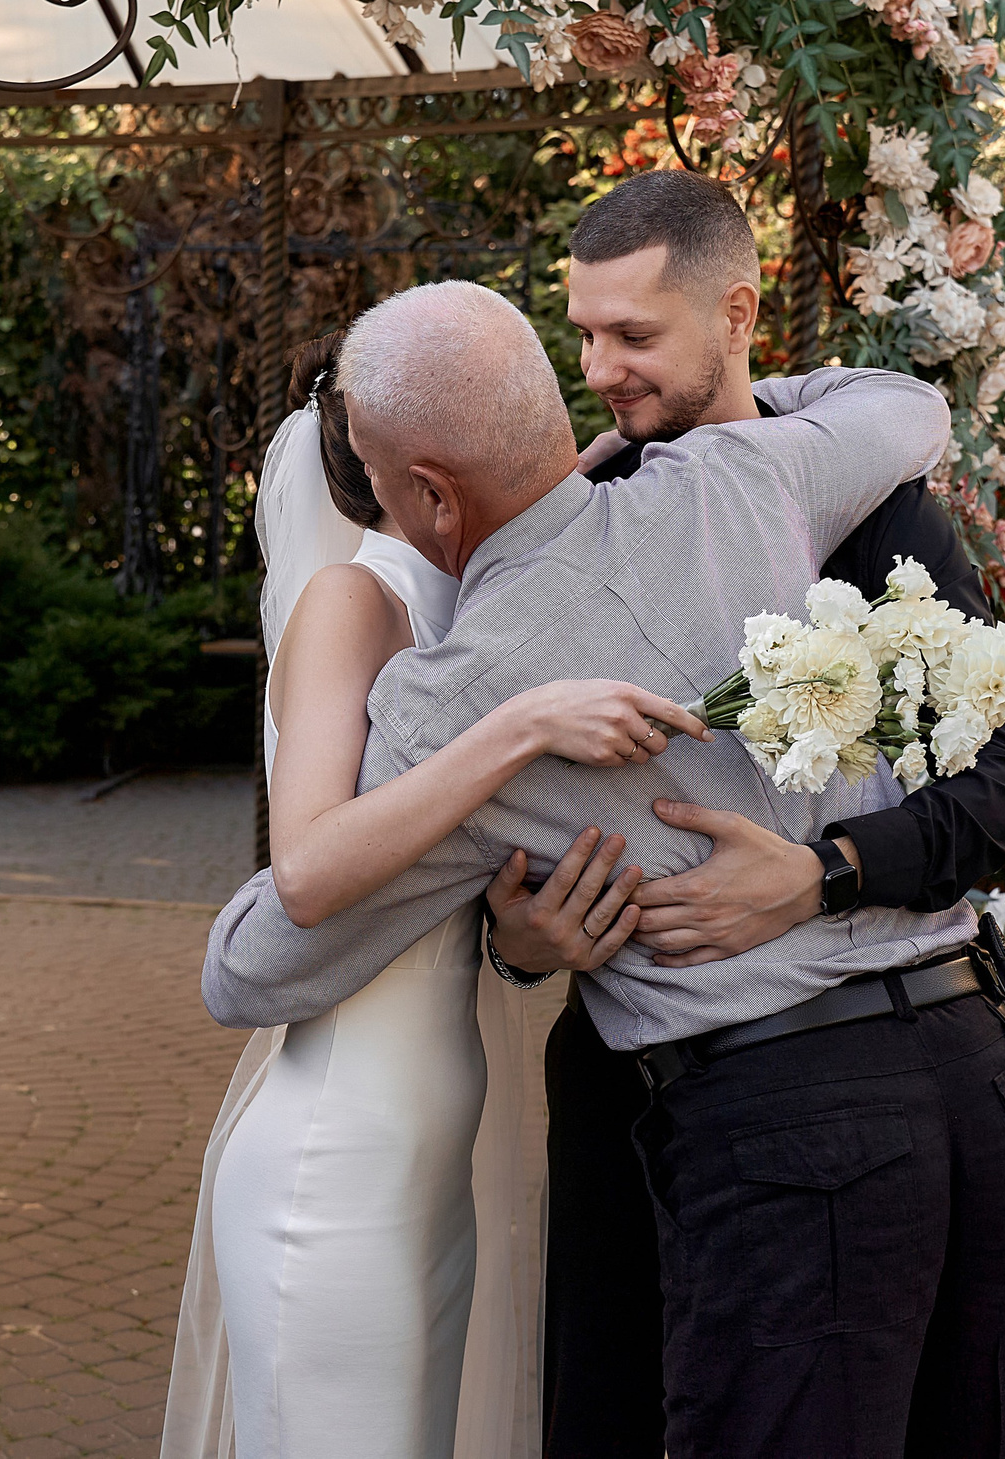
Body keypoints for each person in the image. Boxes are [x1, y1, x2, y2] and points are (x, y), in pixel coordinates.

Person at [201, 279, 978, 1455]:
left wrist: (502, 754)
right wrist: (661, 425)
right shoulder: (743, 473)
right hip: (962, 1066)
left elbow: (248, 970)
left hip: (760, 1125)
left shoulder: (451, 706)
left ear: (423, 492)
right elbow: (910, 406)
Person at [489, 168, 1005, 1456]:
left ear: (738, 313)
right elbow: (507, 819)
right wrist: (522, 939)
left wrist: (825, 873)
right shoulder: (579, 526)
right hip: (665, 1107)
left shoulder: (868, 510)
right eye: (582, 334)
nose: (599, 370)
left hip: (911, 1077)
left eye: (634, 336)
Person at [160, 329, 707, 1459]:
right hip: (338, 1155)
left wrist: (518, 941)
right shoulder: (354, 602)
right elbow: (309, 864)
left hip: (441, 1137)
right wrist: (520, 727)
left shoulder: (490, 598)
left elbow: (446, 878)